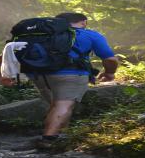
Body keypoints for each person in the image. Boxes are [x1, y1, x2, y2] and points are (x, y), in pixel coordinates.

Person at [30, 12, 118, 148]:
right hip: (71, 74)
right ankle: (49, 139)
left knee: (55, 104)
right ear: (83, 22)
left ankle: (62, 133)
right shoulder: (90, 34)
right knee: (63, 105)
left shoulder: (40, 35)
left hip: (38, 74)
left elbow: (7, 51)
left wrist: (4, 74)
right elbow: (110, 59)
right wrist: (110, 73)